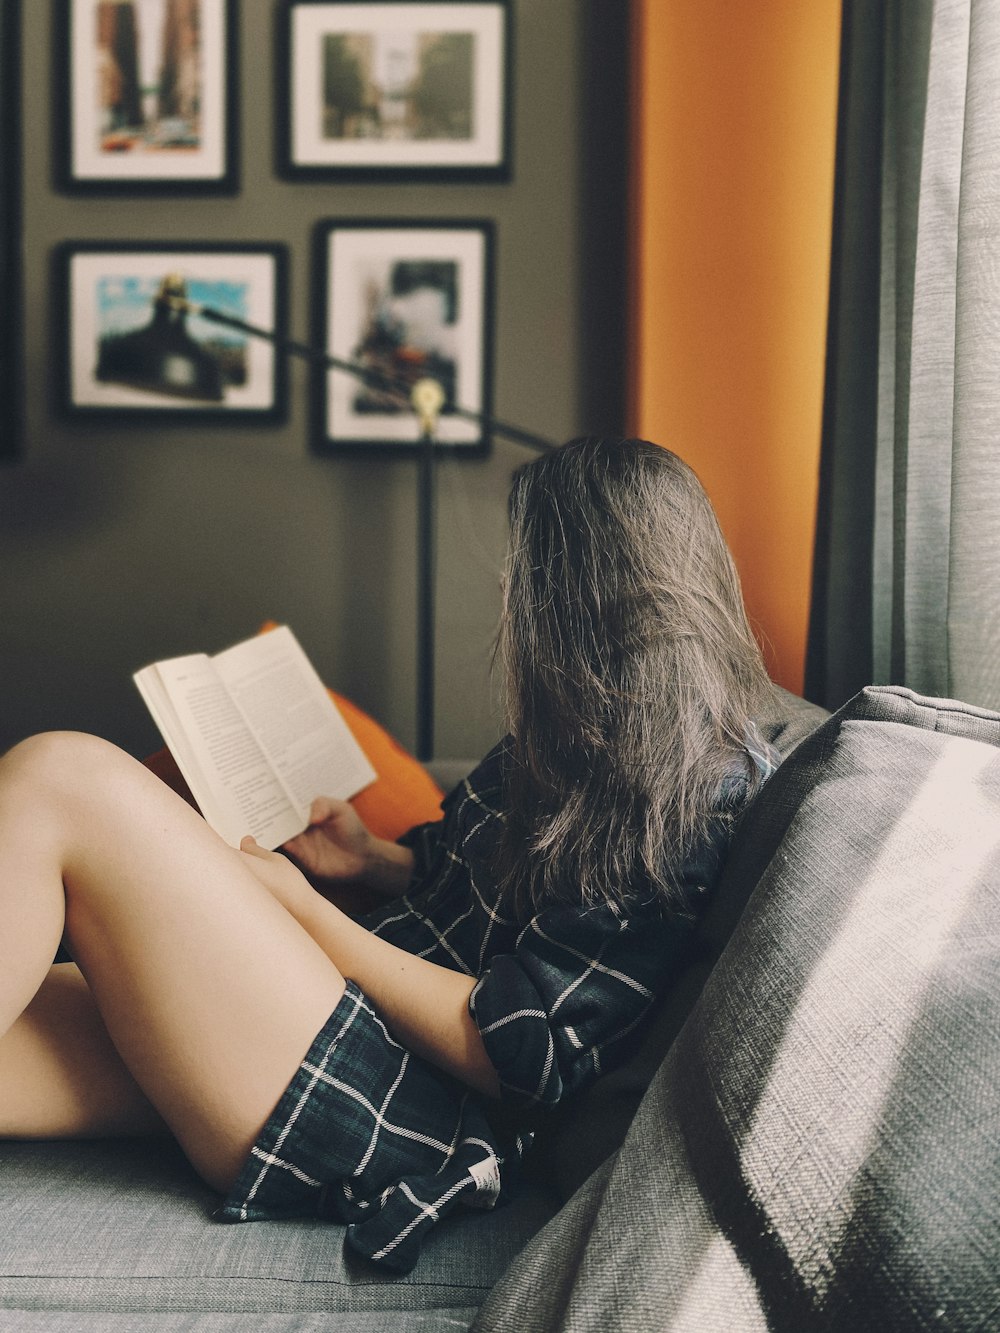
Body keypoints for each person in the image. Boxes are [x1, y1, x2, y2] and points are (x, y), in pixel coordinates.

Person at [0, 437, 778, 1272]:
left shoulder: (689, 794)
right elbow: (479, 887)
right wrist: (367, 861)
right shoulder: (569, 736)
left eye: (526, 579)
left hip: (400, 1100)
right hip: (344, 1009)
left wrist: (297, 909)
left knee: (62, 774)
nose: (511, 603)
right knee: (25, 1015)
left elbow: (521, 1049)